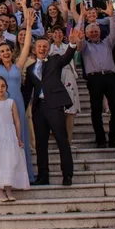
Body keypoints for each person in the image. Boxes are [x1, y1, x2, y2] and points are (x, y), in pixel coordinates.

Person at [0, 6, 35, 182]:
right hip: (1, 106)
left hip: (17, 102)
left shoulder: (18, 65)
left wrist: (29, 26)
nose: (5, 53)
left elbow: (26, 46)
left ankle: (22, 176)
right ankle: (4, 177)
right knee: (3, 142)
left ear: (11, 52)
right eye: (2, 52)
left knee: (20, 137)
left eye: (7, 51)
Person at [23, 29, 84, 186]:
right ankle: (43, 175)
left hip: (55, 106)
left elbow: (67, 57)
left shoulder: (55, 60)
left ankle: (67, 175)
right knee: (41, 144)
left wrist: (72, 43)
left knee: (62, 140)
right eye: (39, 47)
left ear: (48, 48)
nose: (42, 49)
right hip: (39, 109)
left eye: (45, 46)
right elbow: (27, 91)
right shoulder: (30, 70)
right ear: (34, 49)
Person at [76, 0, 115, 148]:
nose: (94, 33)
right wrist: (82, 17)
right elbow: (79, 34)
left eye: (96, 31)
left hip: (110, 77)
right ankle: (100, 138)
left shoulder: (107, 43)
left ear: (100, 32)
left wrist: (111, 15)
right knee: (96, 111)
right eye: (91, 31)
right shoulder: (84, 47)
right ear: (87, 34)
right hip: (94, 79)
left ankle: (113, 136)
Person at [49, 28, 81, 144]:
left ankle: (69, 140)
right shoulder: (48, 48)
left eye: (60, 33)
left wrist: (77, 40)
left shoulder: (69, 46)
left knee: (70, 111)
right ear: (51, 35)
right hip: (53, 78)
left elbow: (78, 49)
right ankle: (58, 139)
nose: (57, 34)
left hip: (68, 76)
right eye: (55, 32)